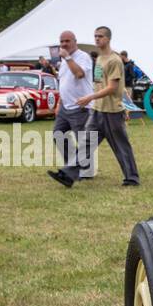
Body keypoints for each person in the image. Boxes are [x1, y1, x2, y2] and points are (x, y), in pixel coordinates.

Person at [50, 25, 139, 187]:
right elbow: (98, 84)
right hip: (97, 110)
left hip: (112, 111)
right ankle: (68, 175)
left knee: (120, 145)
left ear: (108, 39)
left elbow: (112, 87)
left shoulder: (114, 60)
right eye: (95, 36)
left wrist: (89, 97)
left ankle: (132, 178)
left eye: (100, 36)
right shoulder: (98, 59)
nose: (97, 39)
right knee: (85, 144)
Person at [46, 30, 95, 185]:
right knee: (58, 134)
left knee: (83, 141)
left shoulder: (83, 57)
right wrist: (59, 103)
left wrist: (67, 57)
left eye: (67, 41)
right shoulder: (63, 61)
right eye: (61, 41)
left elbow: (79, 74)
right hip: (65, 108)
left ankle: (86, 171)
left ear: (75, 41)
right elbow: (64, 83)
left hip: (80, 106)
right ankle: (72, 169)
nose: (64, 44)